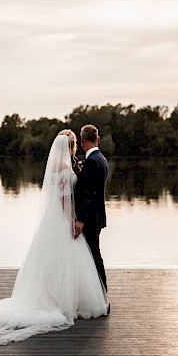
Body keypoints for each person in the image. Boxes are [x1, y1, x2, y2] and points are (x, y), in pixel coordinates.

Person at [0, 130, 109, 346]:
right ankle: (65, 301)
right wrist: (73, 219)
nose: (77, 148)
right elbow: (64, 199)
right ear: (71, 146)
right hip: (63, 218)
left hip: (55, 220)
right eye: (74, 145)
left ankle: (60, 298)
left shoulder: (62, 166)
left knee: (55, 260)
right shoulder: (64, 167)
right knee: (68, 258)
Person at [73, 124, 108, 292]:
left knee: (93, 256)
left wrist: (80, 220)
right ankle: (97, 292)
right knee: (94, 254)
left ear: (82, 141)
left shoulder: (92, 162)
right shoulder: (101, 159)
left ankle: (101, 292)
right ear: (98, 139)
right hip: (97, 216)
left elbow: (89, 194)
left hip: (90, 218)